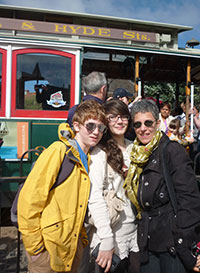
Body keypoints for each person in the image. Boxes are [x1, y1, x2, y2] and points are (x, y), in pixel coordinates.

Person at [17, 100, 107, 273]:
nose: (96, 132)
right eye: (90, 126)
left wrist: (81, 242)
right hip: (48, 251)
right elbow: (29, 202)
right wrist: (36, 250)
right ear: (77, 126)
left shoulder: (86, 159)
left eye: (101, 128)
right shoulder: (59, 151)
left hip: (69, 250)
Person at [123, 99, 200, 273]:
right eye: (137, 124)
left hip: (172, 243)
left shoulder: (171, 150)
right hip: (148, 242)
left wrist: (183, 242)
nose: (143, 128)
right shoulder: (136, 156)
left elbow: (189, 199)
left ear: (158, 123)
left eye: (148, 123)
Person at [88, 99, 140, 273]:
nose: (119, 121)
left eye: (123, 116)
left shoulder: (135, 148)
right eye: (113, 117)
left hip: (136, 231)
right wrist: (106, 239)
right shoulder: (99, 153)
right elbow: (94, 196)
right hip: (112, 233)